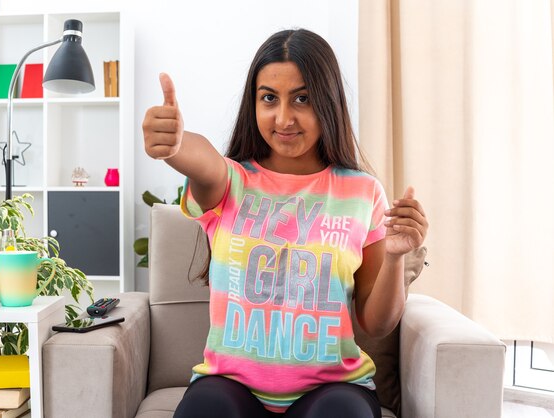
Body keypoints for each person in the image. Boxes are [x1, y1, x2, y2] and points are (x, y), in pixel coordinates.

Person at [142, 28, 428, 418]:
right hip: (230, 387)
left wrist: (395, 258)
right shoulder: (231, 182)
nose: (284, 117)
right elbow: (204, 162)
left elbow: (375, 324)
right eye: (269, 98)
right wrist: (175, 147)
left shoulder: (363, 192)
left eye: (302, 99)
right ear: (254, 103)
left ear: (327, 101)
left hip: (333, 390)